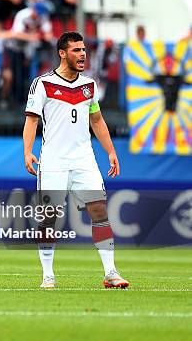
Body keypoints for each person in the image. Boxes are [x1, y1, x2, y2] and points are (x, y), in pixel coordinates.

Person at [22, 31, 129, 289]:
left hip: (84, 159)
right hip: (53, 161)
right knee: (49, 217)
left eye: (83, 50)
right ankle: (48, 275)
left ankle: (111, 272)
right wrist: (27, 151)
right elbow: (32, 120)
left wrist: (111, 151)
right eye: (76, 50)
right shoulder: (42, 84)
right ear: (62, 53)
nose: (82, 54)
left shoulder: (89, 86)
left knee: (99, 211)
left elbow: (96, 120)